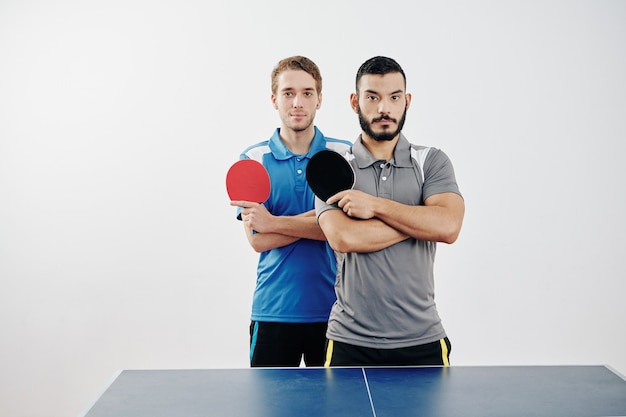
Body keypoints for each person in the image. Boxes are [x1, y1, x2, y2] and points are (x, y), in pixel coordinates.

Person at [315, 56, 465, 367]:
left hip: (423, 338)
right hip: (348, 341)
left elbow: (448, 226)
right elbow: (344, 237)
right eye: (373, 97)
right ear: (355, 102)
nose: (385, 108)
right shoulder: (332, 165)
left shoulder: (431, 162)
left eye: (394, 97)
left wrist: (375, 206)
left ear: (406, 101)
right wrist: (420, 219)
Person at [230, 56, 351, 367]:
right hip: (272, 312)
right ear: (274, 99)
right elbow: (258, 240)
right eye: (288, 93)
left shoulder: (344, 155)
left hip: (335, 313)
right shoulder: (253, 159)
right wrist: (320, 221)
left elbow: (344, 232)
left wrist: (273, 222)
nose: (298, 102)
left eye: (307, 93)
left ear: (319, 99)